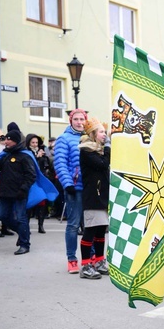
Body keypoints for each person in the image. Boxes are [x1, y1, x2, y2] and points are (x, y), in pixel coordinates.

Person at [0, 129, 36, 255]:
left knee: (21, 218)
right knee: (2, 215)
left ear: (15, 141)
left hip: (19, 192)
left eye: (9, 139)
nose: (6, 141)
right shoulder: (5, 155)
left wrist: (23, 189)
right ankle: (23, 232)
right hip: (5, 192)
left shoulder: (25, 156)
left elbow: (31, 175)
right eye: (6, 139)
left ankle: (25, 244)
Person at [54, 108, 88, 273]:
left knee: (90, 225)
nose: (80, 122)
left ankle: (90, 258)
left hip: (90, 188)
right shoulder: (64, 139)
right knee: (73, 225)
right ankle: (72, 259)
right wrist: (68, 184)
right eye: (76, 119)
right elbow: (60, 163)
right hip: (74, 188)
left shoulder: (90, 137)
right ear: (71, 121)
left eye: (82, 119)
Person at [78, 118, 111, 279]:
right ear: (93, 134)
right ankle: (85, 265)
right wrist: (108, 149)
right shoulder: (86, 150)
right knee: (90, 231)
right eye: (101, 132)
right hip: (92, 196)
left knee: (100, 231)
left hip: (102, 196)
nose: (104, 135)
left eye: (105, 132)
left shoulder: (100, 149)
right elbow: (102, 164)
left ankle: (99, 261)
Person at [25, 133, 51, 234]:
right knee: (30, 203)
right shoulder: (26, 152)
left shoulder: (42, 152)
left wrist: (43, 157)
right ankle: (26, 226)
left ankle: (41, 225)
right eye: (33, 142)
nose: (35, 144)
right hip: (30, 181)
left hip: (40, 180)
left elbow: (47, 165)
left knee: (42, 203)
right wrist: (37, 157)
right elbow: (30, 165)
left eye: (36, 142)